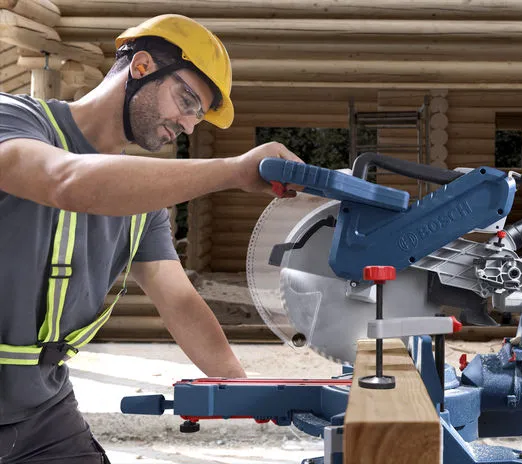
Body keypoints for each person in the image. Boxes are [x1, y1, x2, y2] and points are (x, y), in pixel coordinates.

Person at [0, 14, 303, 463]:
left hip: (41, 412)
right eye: (186, 100)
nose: (188, 124)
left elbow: (180, 302)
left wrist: (246, 389)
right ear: (141, 66)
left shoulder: (143, 207)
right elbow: (65, 180)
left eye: (197, 114)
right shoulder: (16, 120)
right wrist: (234, 171)